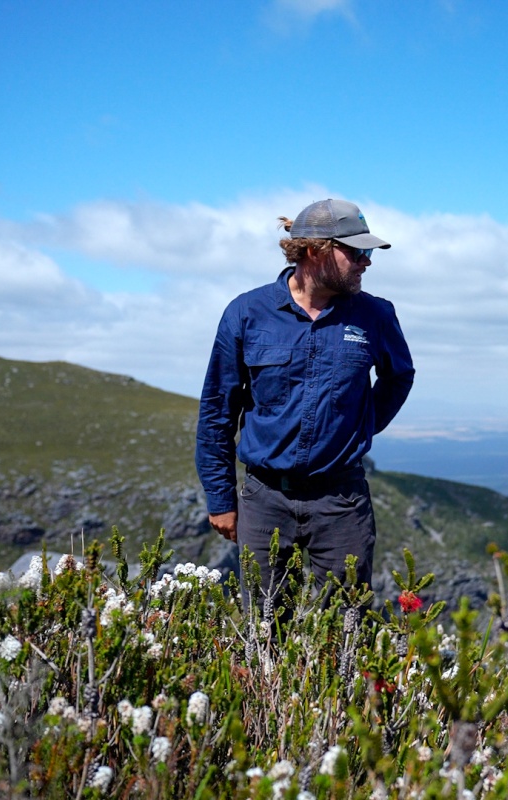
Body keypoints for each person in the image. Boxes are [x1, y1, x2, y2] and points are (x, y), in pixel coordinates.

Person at [195, 198, 415, 612]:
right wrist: (221, 498)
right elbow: (217, 410)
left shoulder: (377, 315)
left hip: (341, 502)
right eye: (357, 252)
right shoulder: (246, 313)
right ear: (315, 250)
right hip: (263, 500)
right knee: (262, 628)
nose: (366, 262)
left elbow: (399, 376)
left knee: (345, 629)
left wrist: (361, 425)